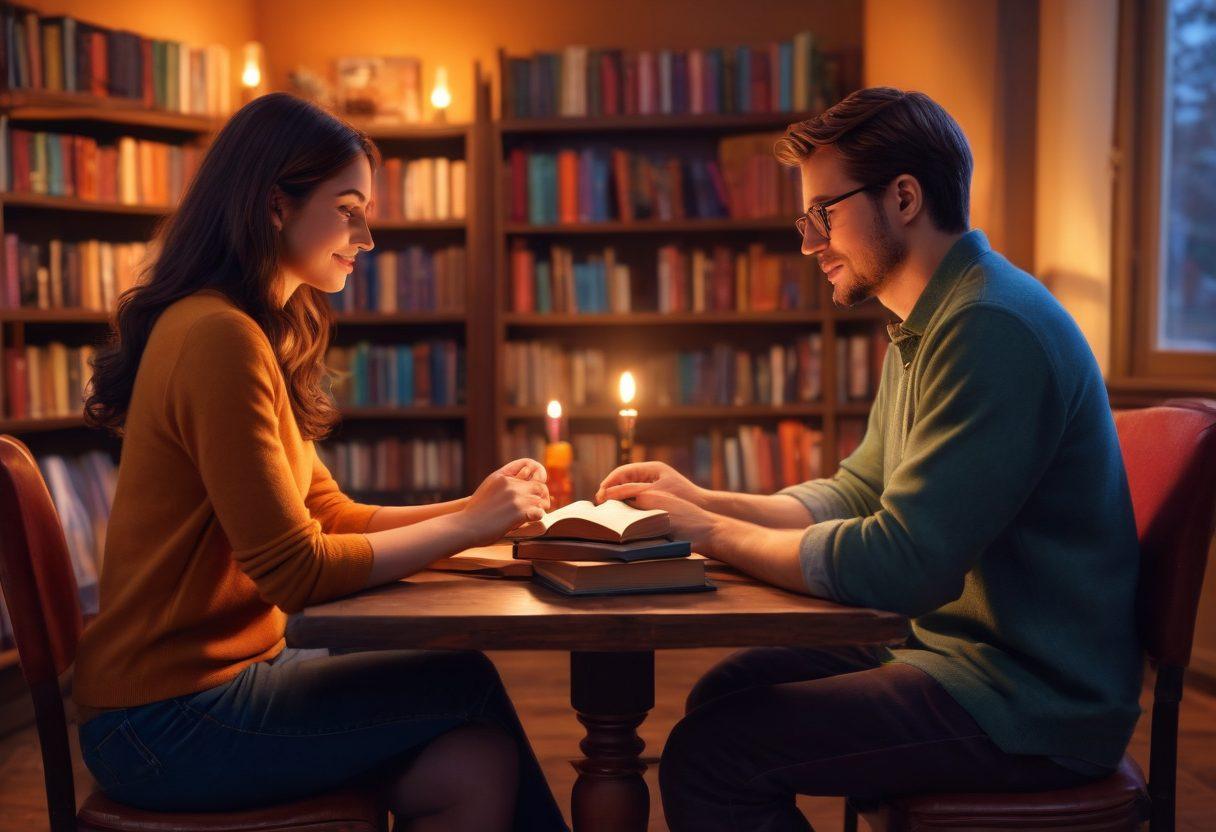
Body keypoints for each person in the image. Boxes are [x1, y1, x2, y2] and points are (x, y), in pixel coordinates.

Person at [596, 87, 1142, 832]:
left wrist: (709, 534)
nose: (807, 240)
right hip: (952, 653)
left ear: (905, 197)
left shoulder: (989, 327)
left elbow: (901, 564)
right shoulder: (930, 319)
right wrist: (704, 501)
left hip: (1029, 700)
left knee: (713, 754)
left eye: (823, 213)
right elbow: (859, 492)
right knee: (724, 697)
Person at [75, 92, 567, 832]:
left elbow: (329, 514)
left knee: (474, 763)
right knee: (464, 680)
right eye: (347, 208)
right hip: (165, 720)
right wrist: (472, 523)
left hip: (215, 688)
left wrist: (484, 512)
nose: (366, 237)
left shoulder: (243, 330)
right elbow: (296, 571)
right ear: (276, 206)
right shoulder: (217, 337)